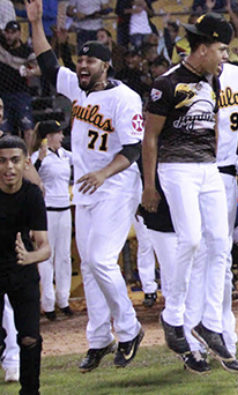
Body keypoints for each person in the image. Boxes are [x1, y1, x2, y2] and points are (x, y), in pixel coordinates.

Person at [29, 0, 146, 373]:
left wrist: (102, 174)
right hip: (87, 188)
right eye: (79, 62)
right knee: (91, 267)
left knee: (100, 260)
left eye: (89, 62)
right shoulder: (79, 90)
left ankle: (129, 329)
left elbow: (131, 150)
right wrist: (35, 22)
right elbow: (49, 64)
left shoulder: (125, 97)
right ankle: (98, 338)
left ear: (105, 64)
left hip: (116, 184)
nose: (82, 66)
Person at [141, 12, 238, 369]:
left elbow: (212, 126)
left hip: (206, 168)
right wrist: (149, 185)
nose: (225, 56)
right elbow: (149, 137)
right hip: (175, 167)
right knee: (193, 240)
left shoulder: (212, 81)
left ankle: (210, 323)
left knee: (220, 242)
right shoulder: (166, 84)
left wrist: (212, 158)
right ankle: (174, 315)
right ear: (201, 49)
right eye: (221, 49)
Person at [183, 49, 238, 374]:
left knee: (219, 253)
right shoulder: (182, 80)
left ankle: (223, 335)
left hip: (227, 174)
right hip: (193, 172)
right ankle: (194, 340)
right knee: (199, 255)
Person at [0, 135, 50, 395]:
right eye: (3, 161)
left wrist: (31, 257)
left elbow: (44, 246)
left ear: (26, 163)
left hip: (22, 268)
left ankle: (31, 392)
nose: (9, 167)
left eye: (15, 161)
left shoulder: (32, 195)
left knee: (30, 339)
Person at [29, 121, 74, 321]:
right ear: (48, 136)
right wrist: (39, 158)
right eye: (58, 133)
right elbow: (30, 178)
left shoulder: (65, 155)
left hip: (65, 209)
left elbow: (81, 162)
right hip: (47, 211)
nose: (62, 137)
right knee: (46, 256)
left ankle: (63, 299)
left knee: (64, 256)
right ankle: (47, 303)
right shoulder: (38, 157)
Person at [0, 21, 36, 151]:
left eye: (13, 33)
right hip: (2, 95)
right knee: (4, 132)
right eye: (7, 32)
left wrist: (29, 71)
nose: (9, 36)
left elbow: (39, 69)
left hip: (21, 94)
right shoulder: (2, 47)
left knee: (28, 129)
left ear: (19, 33)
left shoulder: (27, 51)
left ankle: (28, 161)